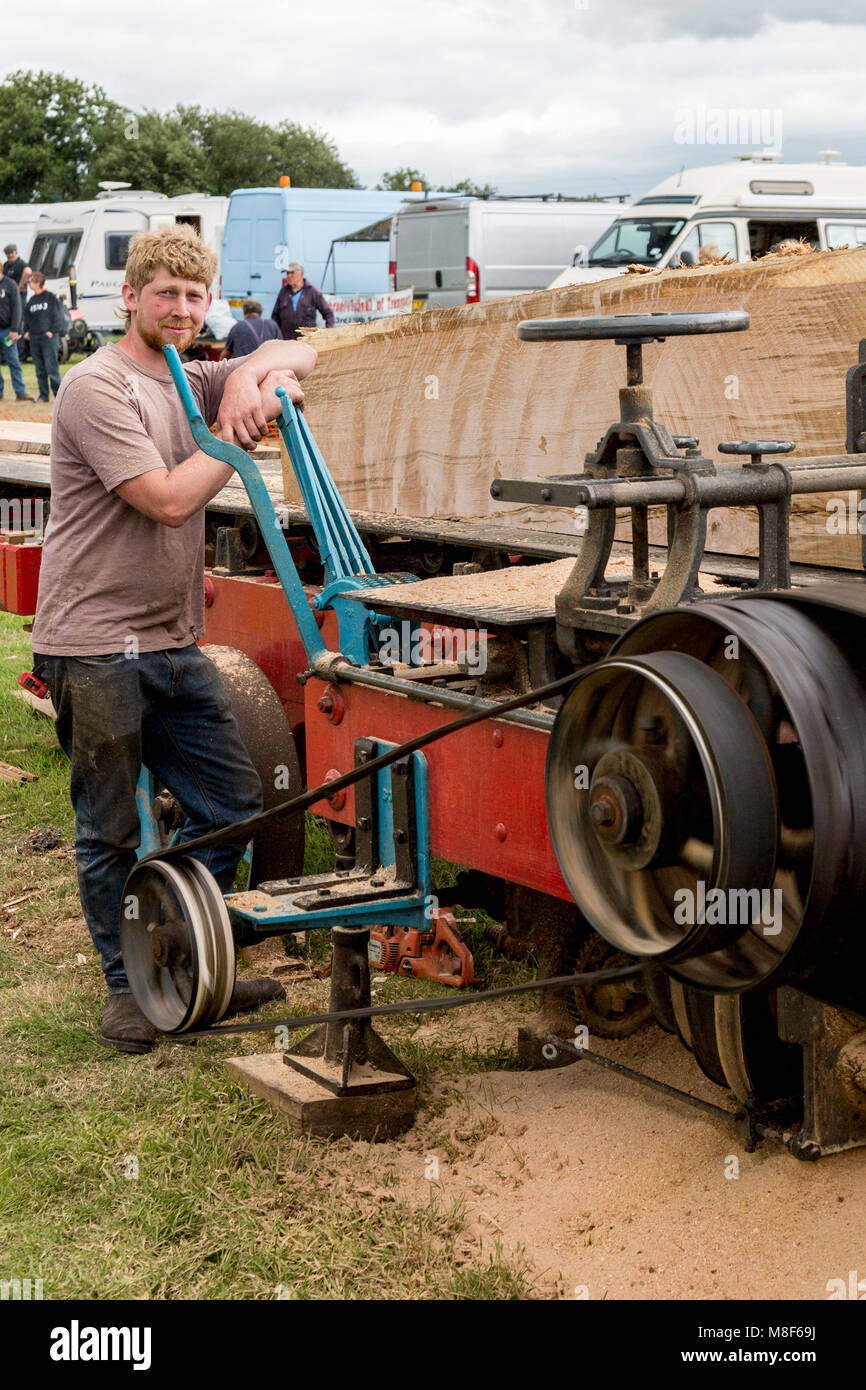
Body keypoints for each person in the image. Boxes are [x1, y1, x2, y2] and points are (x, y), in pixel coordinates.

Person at [30, 224, 317, 1054]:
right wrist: (240, 434)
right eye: (166, 293)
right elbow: (164, 499)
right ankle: (128, 984)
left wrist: (249, 380)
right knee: (109, 826)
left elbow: (304, 355)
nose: (183, 308)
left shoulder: (192, 379)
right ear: (130, 296)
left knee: (230, 805)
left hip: (170, 641)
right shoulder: (96, 386)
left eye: (196, 295)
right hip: (93, 643)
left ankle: (182, 946)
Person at [22, 270, 63, 401]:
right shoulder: (31, 300)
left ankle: (59, 397)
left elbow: (58, 315)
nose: (29, 282)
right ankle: (43, 396)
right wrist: (26, 331)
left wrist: (52, 331)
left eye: (31, 280)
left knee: (52, 368)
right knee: (40, 370)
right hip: (35, 339)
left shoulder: (50, 297)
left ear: (38, 282)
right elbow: (27, 318)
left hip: (48, 339)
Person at [272, 262, 335, 340]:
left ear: (301, 274)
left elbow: (328, 314)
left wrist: (328, 332)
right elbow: (275, 316)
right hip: (286, 340)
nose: (289, 276)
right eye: (287, 273)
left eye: (292, 273)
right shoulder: (283, 292)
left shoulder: (312, 291)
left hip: (307, 341)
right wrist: (275, 335)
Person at [0, 267, 33, 401]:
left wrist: (15, 329)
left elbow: (17, 308)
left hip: (8, 330)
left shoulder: (10, 284)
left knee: (13, 361)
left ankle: (20, 392)